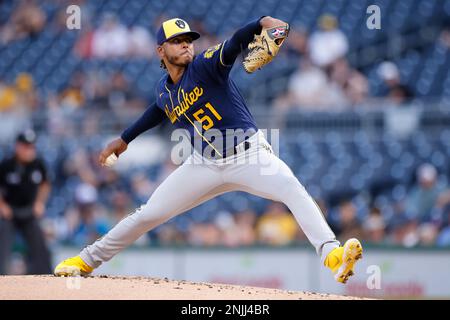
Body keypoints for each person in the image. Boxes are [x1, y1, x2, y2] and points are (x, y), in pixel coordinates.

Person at [54, 17, 363, 284]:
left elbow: (235, 43)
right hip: (203, 164)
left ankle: (332, 255)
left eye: (188, 39)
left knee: (293, 189)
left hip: (249, 155)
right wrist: (124, 138)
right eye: (177, 41)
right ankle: (85, 261)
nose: (186, 44)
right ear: (160, 50)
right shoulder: (163, 89)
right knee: (148, 214)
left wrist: (261, 23)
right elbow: (158, 110)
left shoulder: (205, 65)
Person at [0, 130, 52, 274]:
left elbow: (46, 184)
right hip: (10, 212)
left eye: (32, 146)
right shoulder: (6, 164)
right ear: (18, 146)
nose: (30, 150)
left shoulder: (38, 164)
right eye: (26, 146)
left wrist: (39, 202)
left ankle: (45, 276)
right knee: (2, 244)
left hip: (29, 211)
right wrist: (2, 206)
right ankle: (1, 275)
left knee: (40, 245)